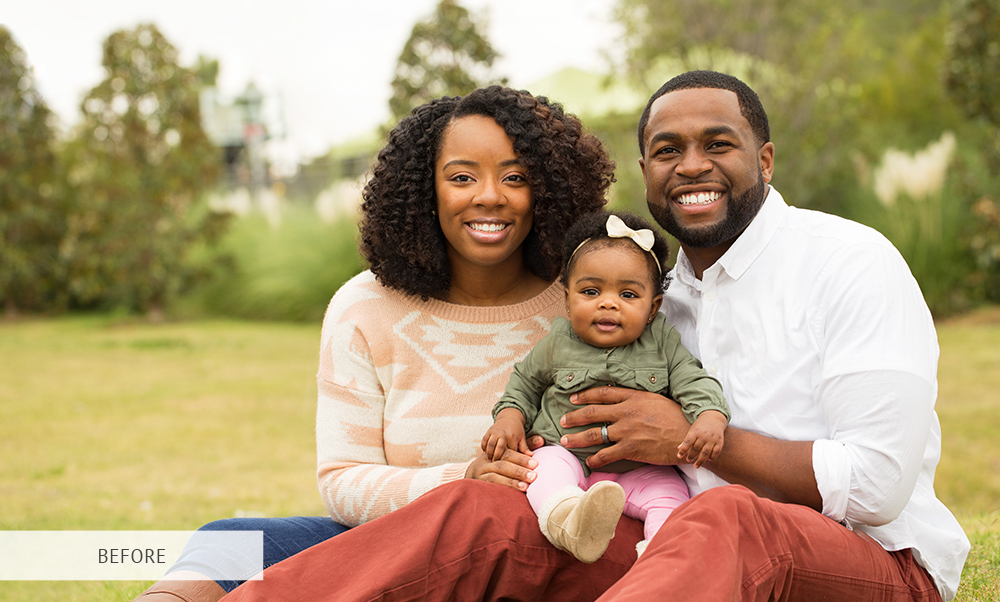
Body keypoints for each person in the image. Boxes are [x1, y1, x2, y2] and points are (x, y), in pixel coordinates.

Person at [220, 70, 970, 602]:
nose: (693, 165)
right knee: (492, 512)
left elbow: (876, 485)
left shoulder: (849, 262)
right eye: (668, 150)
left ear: (764, 159)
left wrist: (689, 440)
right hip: (673, 550)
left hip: (868, 567)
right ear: (644, 171)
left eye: (719, 143)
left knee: (726, 514)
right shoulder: (652, 296)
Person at [132, 84, 621, 602]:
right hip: (400, 542)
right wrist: (463, 481)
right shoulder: (364, 307)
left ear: (546, 189)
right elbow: (342, 480)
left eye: (515, 177)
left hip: (538, 551)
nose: (489, 196)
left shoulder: (587, 303)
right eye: (461, 177)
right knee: (230, 544)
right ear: (425, 190)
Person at [483, 209, 729, 563]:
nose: (608, 302)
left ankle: (662, 559)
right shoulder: (556, 342)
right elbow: (523, 384)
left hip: (639, 467)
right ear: (567, 298)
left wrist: (709, 416)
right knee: (541, 471)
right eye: (591, 291)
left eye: (628, 295)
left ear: (653, 307)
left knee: (670, 497)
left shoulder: (661, 340)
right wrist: (509, 418)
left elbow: (692, 378)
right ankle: (570, 522)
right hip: (566, 452)